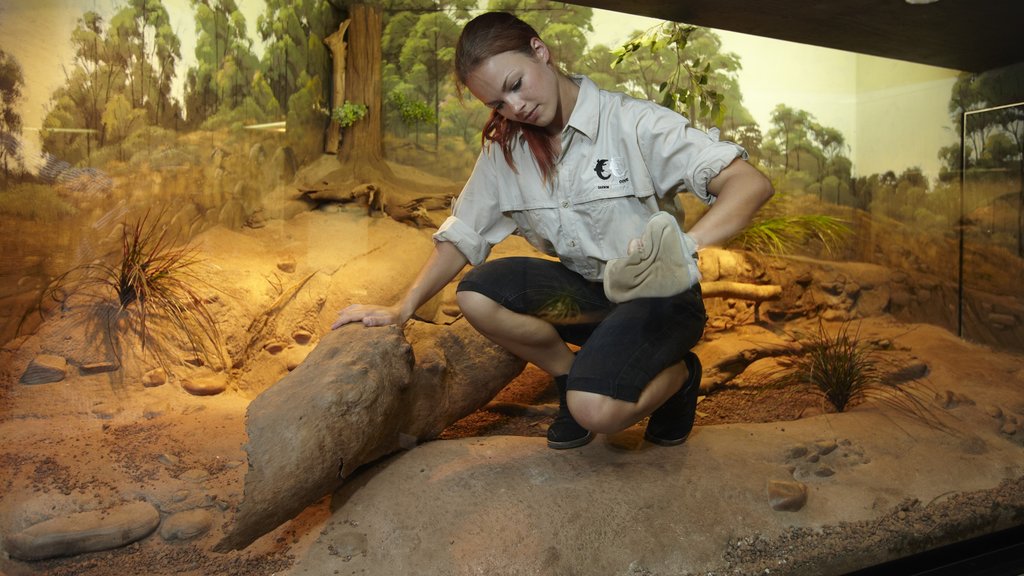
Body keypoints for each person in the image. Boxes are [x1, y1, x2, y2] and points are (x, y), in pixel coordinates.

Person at [333, 11, 774, 450]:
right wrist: (402, 307)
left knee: (597, 412)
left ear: (540, 52)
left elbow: (749, 185)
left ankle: (679, 378)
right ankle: (568, 377)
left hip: (661, 299)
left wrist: (683, 247)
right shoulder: (506, 150)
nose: (515, 107)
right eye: (498, 104)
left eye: (515, 84)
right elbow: (463, 233)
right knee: (477, 293)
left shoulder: (633, 123)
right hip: (591, 295)